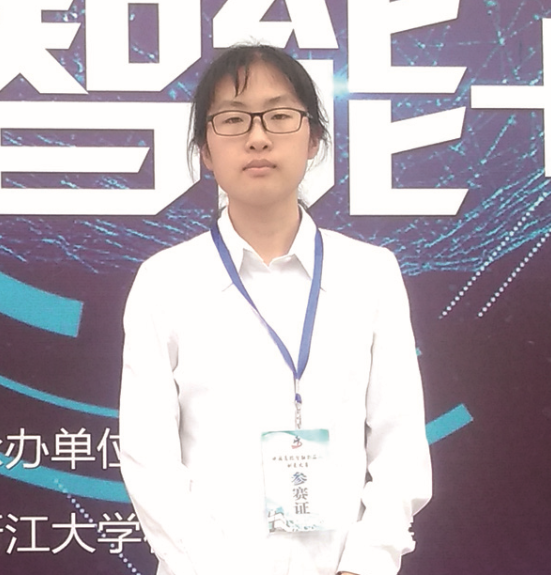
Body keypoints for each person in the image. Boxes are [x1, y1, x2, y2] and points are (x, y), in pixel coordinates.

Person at [119, 44, 432, 575]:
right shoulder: (165, 281)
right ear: (204, 150)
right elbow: (147, 456)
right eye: (233, 119)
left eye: (280, 116)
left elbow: (400, 443)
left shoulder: (370, 274)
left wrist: (364, 563)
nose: (258, 137)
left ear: (313, 140)